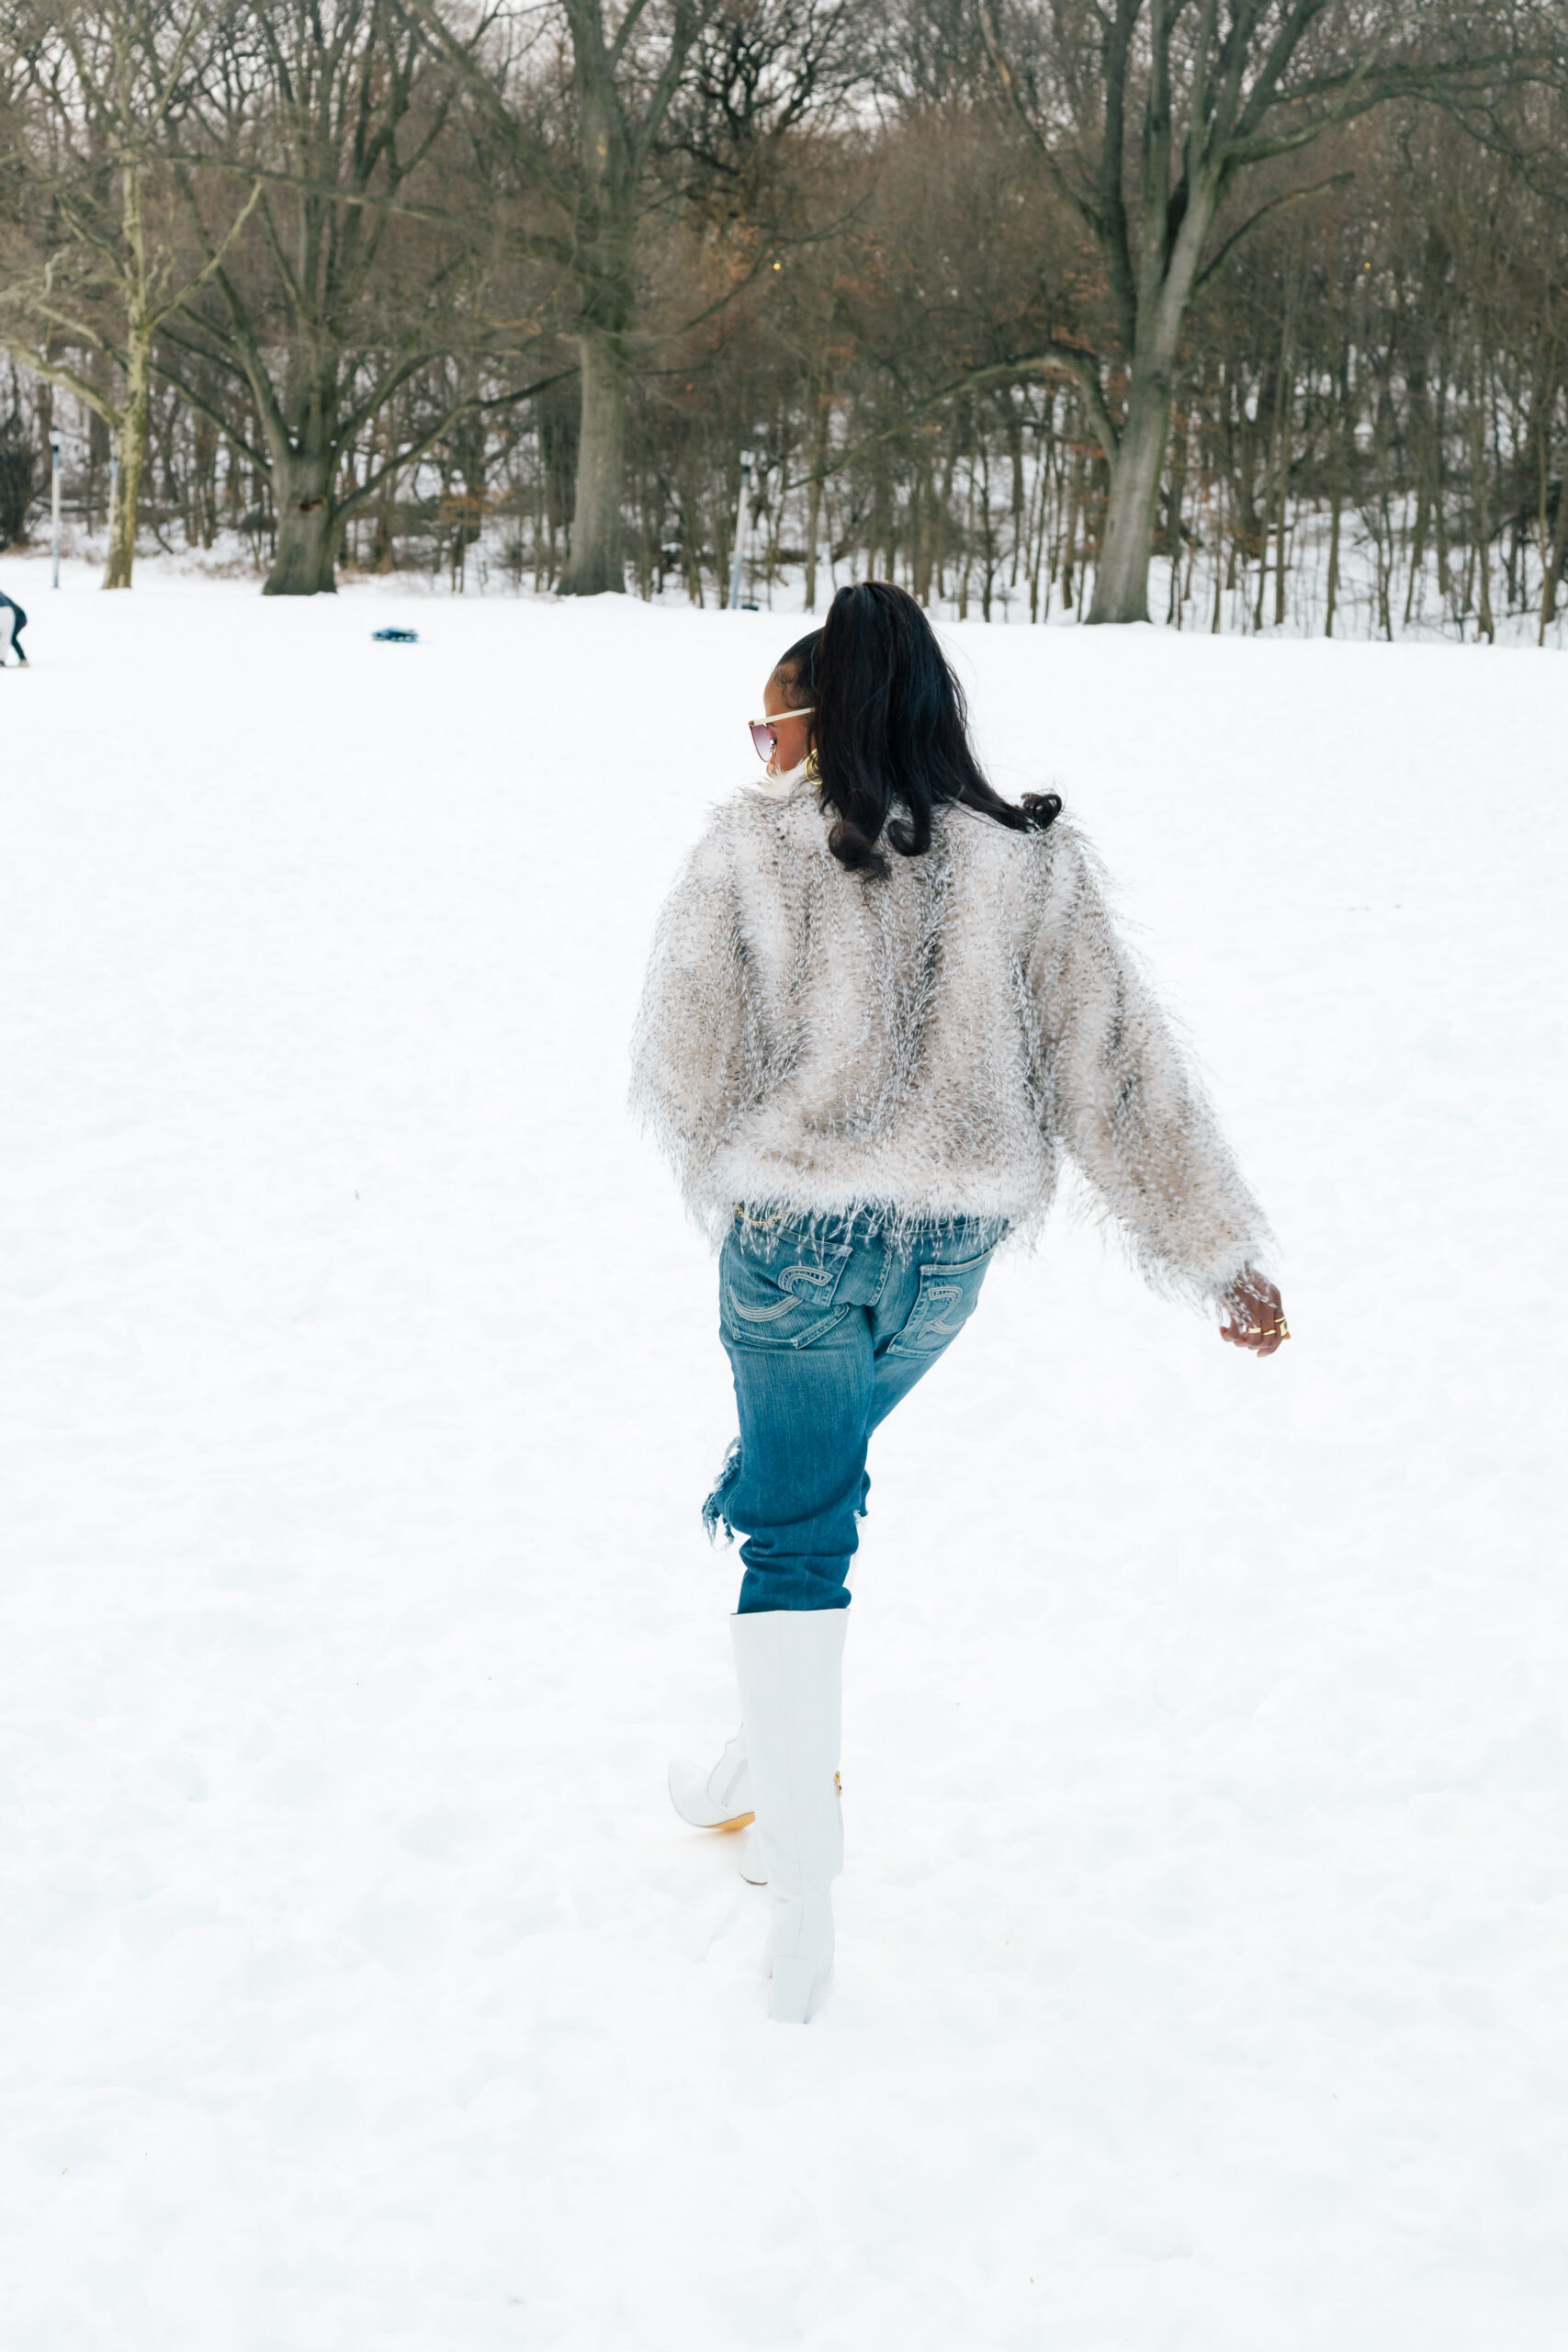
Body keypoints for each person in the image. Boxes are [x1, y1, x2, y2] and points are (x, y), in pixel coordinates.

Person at [631, 581, 1286, 2022]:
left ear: (821, 722)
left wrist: (758, 1171)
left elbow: (683, 1063)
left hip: (793, 1243)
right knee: (804, 1484)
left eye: (768, 726)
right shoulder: (1027, 864)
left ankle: (801, 1896)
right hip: (945, 1265)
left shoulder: (747, 854)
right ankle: (757, 1765)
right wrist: (1213, 1252)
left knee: (793, 1529)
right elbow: (1114, 1073)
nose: (759, 754)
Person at [0, 587, 28, 666]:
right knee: (8, 637)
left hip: (16, 617)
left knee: (9, 638)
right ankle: (22, 659)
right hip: (10, 615)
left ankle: (2, 661)